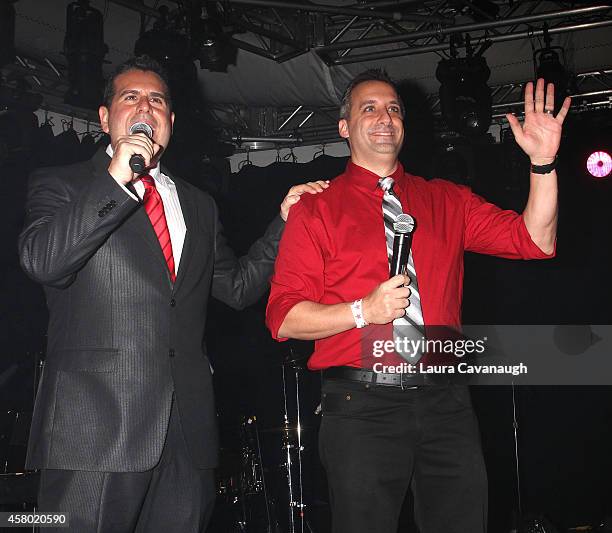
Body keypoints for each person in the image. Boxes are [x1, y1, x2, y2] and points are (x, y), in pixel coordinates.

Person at [18, 55, 328, 532]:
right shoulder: (63, 184)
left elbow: (239, 287)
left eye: (157, 100)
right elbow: (44, 262)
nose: (146, 106)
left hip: (187, 430)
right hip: (96, 428)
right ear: (105, 118)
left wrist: (284, 222)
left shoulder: (197, 204)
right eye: (131, 97)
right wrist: (116, 179)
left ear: (172, 121)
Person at [266, 69, 570, 533]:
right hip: (361, 402)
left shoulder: (446, 200)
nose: (384, 117)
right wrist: (362, 311)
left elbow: (535, 240)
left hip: (445, 401)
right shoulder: (315, 208)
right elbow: (284, 318)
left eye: (393, 108)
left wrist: (543, 164)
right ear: (344, 127)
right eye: (369, 108)